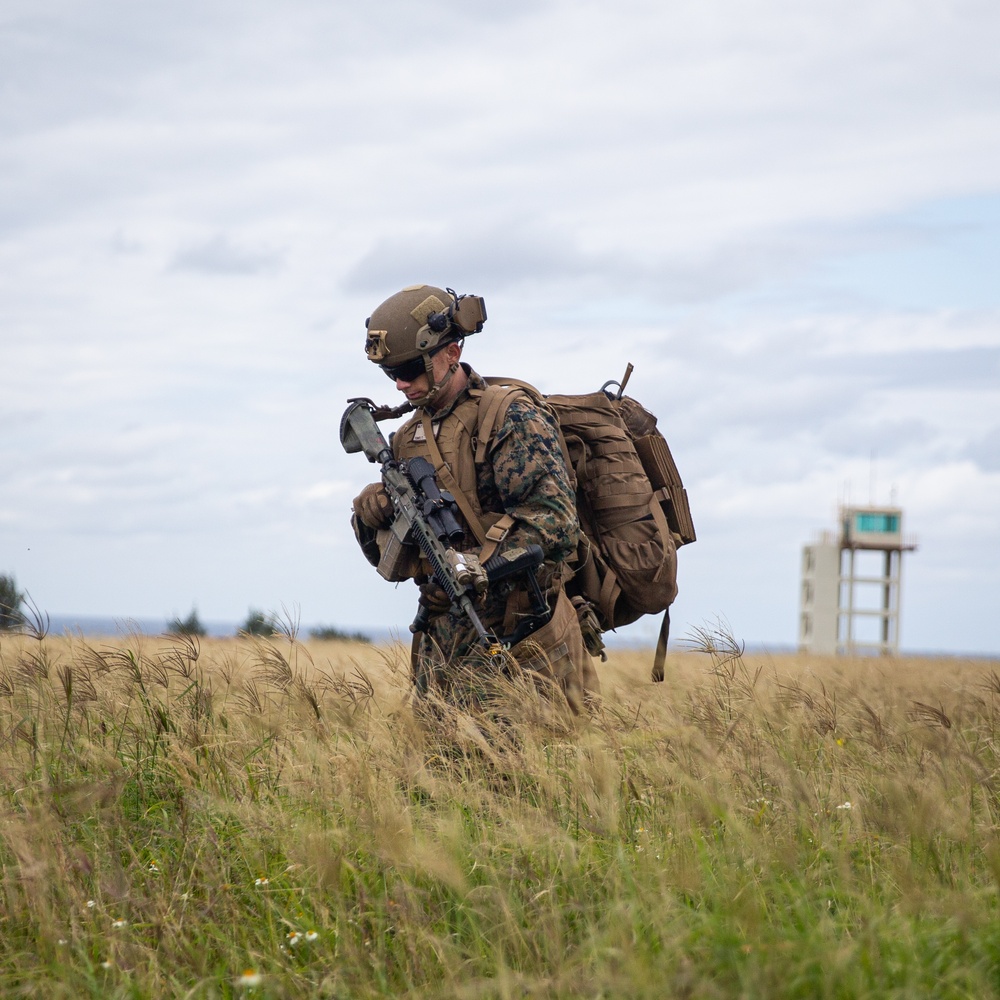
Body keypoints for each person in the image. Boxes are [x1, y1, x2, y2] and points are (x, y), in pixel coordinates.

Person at [350, 284, 599, 715]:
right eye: (391, 374)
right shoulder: (407, 438)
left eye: (410, 367)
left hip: (526, 644)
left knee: (546, 775)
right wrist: (372, 515)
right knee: (443, 778)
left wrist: (474, 569)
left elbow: (555, 524)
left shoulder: (509, 417)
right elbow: (395, 562)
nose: (402, 383)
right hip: (442, 657)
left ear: (452, 350)